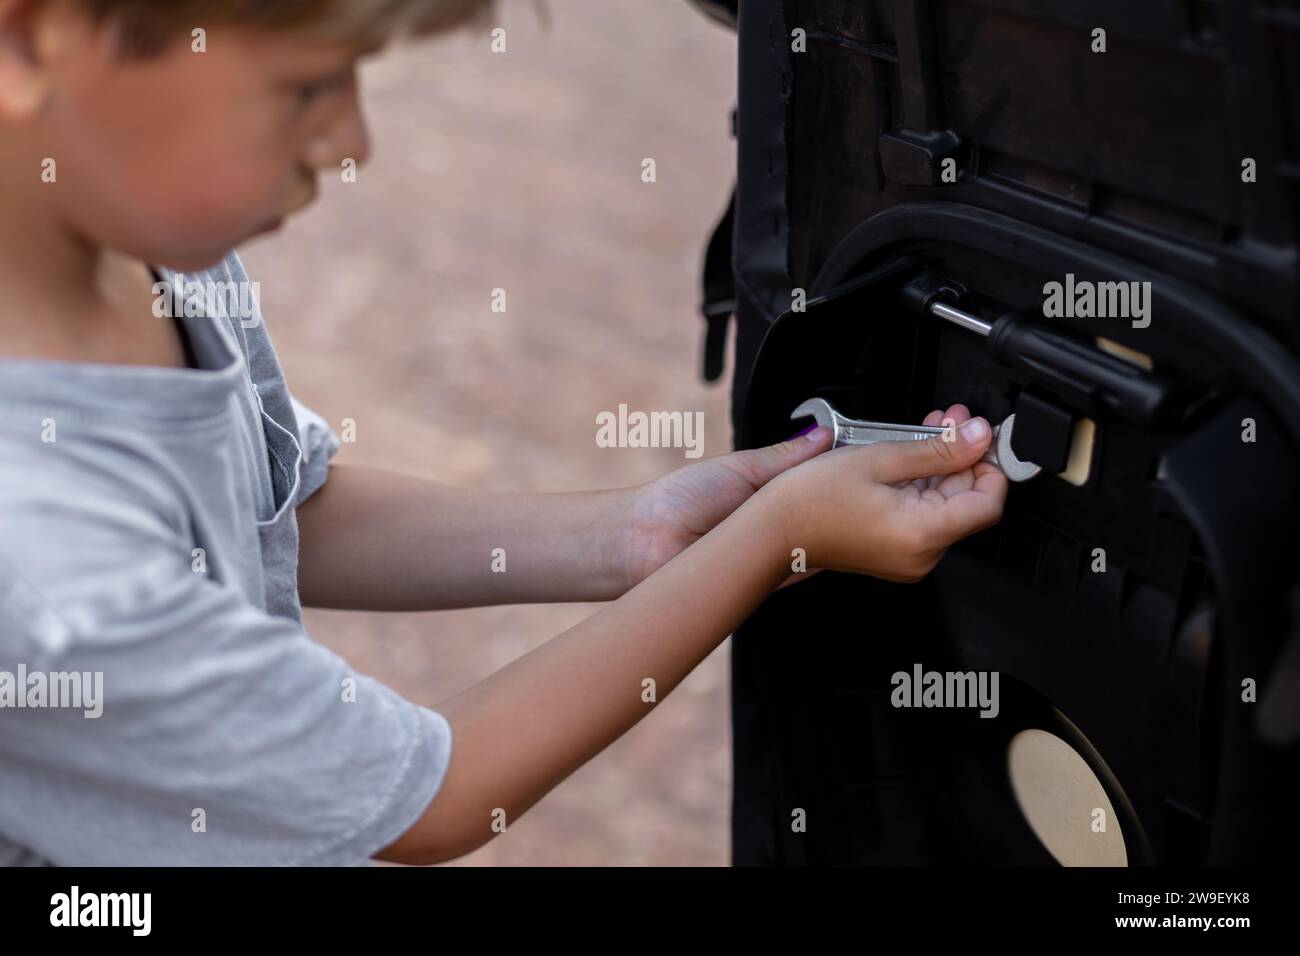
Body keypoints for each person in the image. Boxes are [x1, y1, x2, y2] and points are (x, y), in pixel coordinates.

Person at [0, 0, 1007, 865]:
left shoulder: (147, 253)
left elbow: (280, 503)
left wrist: (630, 534)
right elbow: (438, 794)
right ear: (33, 40)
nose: (351, 142)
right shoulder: (43, 559)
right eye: (307, 87)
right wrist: (765, 541)